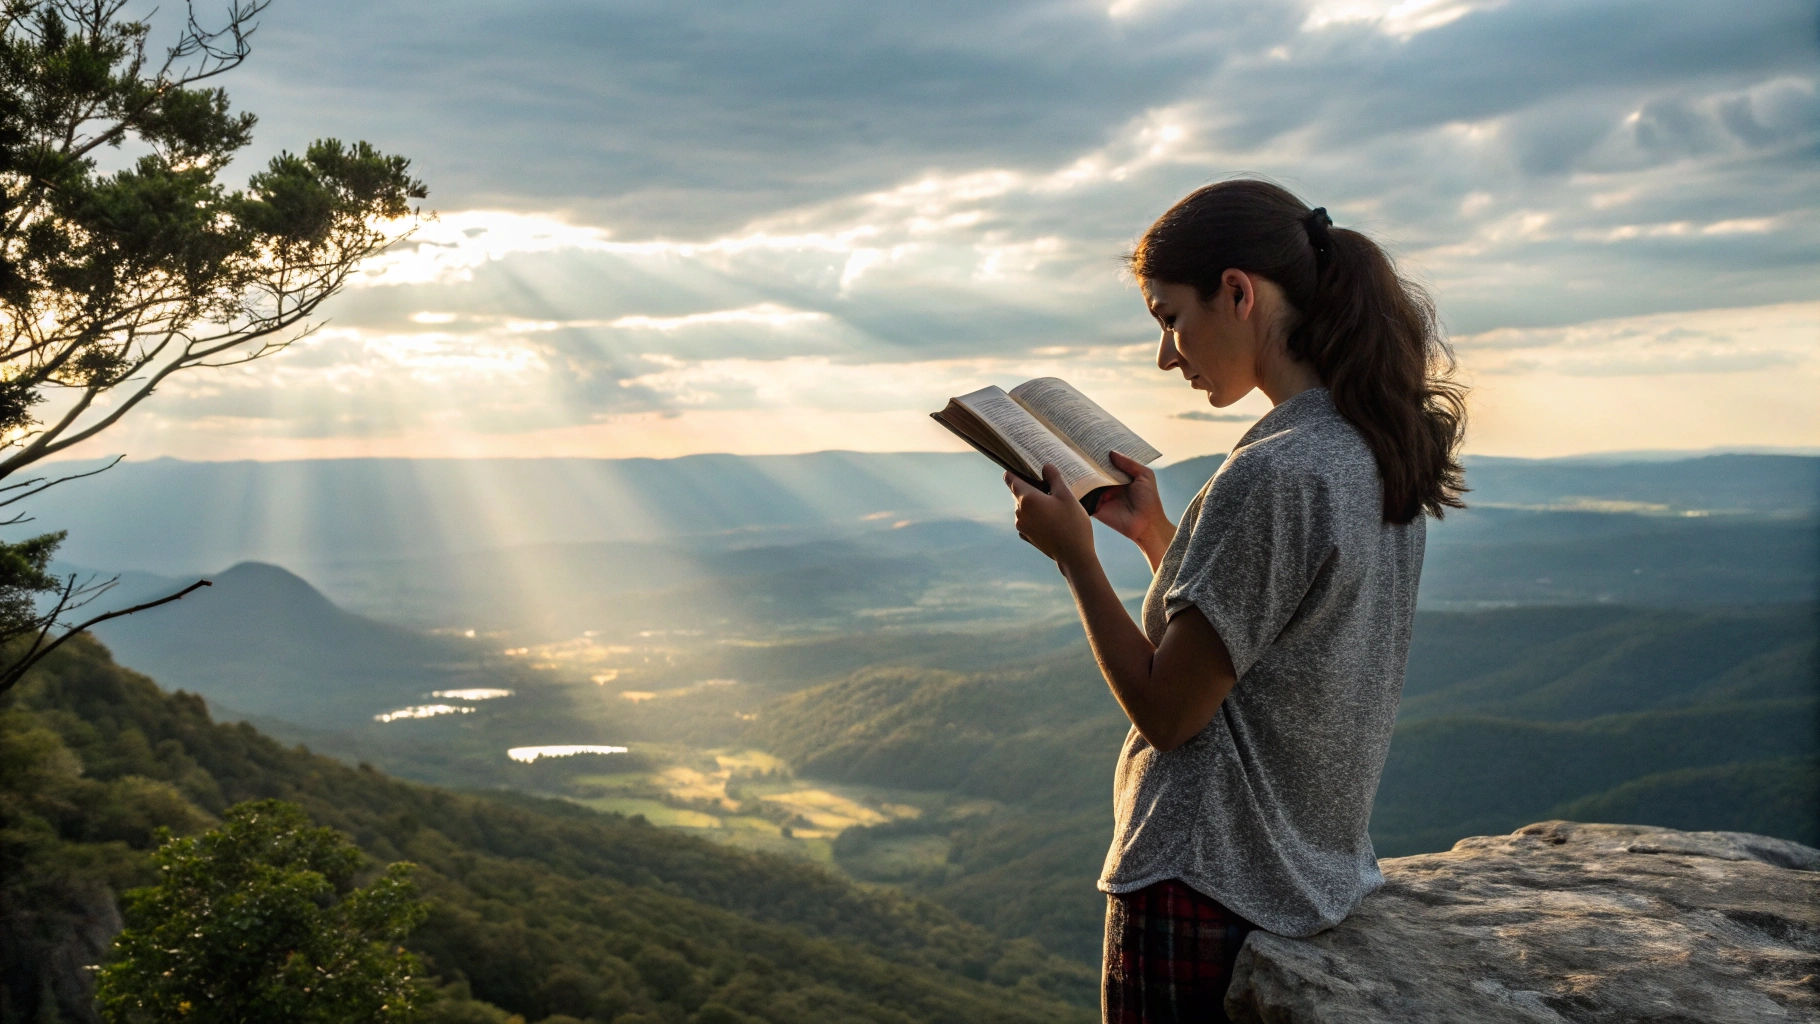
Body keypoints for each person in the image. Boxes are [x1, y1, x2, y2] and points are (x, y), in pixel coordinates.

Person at [1003, 178, 1468, 1023]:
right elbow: (1271, 639)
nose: (1166, 354)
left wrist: (1075, 558)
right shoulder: (1368, 446)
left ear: (1239, 293)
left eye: (1170, 319)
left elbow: (1168, 712)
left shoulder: (1271, 472)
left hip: (1203, 876)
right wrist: (1157, 538)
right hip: (1303, 871)